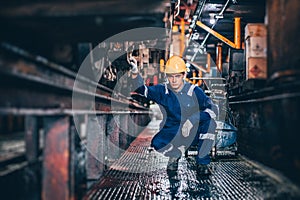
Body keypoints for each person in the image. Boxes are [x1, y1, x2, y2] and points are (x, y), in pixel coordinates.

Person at [128, 55, 217, 174]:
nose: (174, 80)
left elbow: (213, 110)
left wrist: (192, 120)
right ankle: (175, 155)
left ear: (184, 76)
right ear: (167, 77)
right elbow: (143, 90)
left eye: (177, 76)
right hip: (173, 132)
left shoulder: (194, 91)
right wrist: (135, 71)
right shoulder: (163, 91)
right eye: (171, 76)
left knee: (210, 123)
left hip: (193, 132)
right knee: (157, 143)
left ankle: (202, 163)